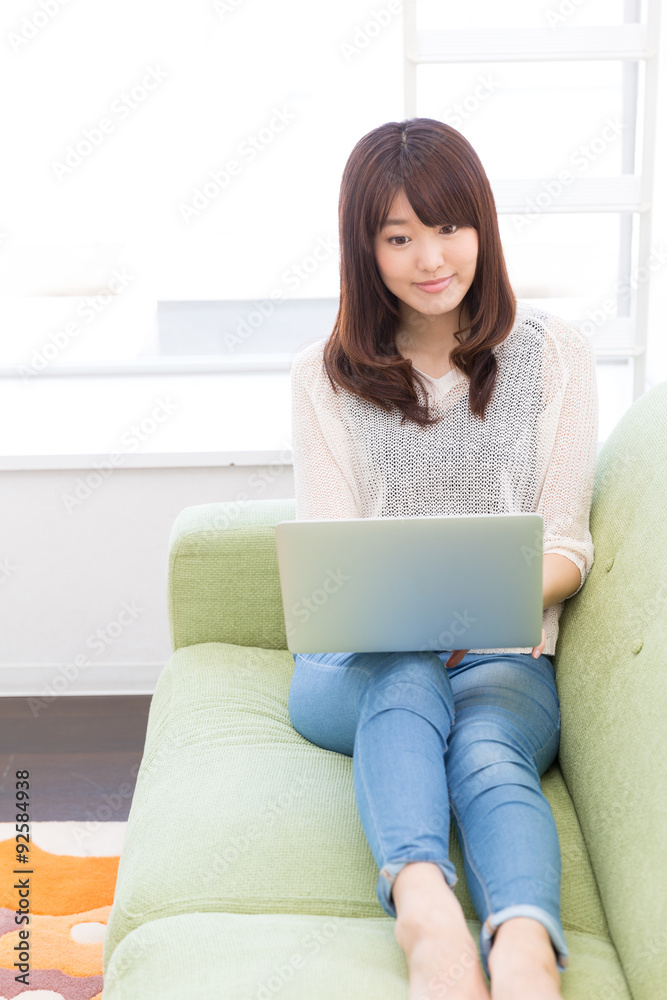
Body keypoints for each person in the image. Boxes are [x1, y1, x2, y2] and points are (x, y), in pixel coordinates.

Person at [287, 118, 598, 1000]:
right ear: (365, 249)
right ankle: (426, 920)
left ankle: (526, 948)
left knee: (491, 747)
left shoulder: (552, 356)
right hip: (356, 662)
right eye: (398, 236)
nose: (431, 257)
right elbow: (332, 566)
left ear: (482, 228)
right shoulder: (323, 376)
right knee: (408, 676)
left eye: (449, 227)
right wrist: (424, 627)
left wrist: (475, 613)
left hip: (504, 655)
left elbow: (567, 547)